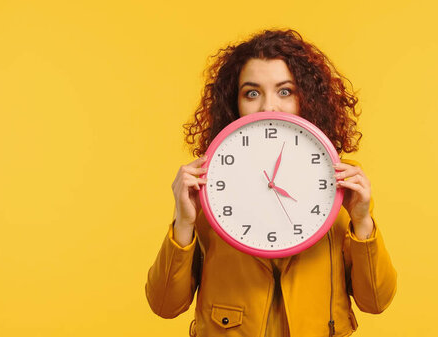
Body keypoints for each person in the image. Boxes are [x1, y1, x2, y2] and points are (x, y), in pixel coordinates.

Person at [145, 29, 397, 337]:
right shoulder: (208, 182)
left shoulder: (344, 180)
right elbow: (164, 305)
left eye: (285, 91)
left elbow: (376, 301)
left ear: (308, 98)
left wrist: (362, 221)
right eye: (252, 93)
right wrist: (183, 222)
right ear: (233, 103)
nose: (268, 108)